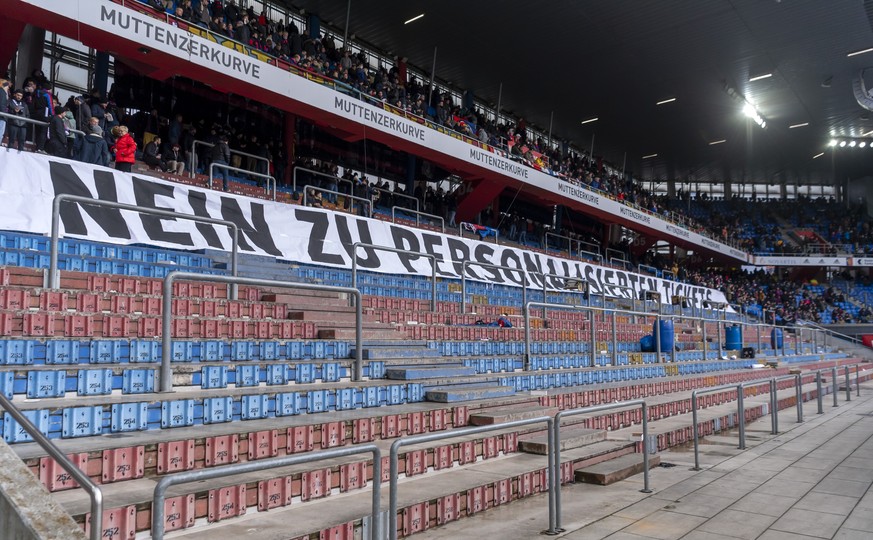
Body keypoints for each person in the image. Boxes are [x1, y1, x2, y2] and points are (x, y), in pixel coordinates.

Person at [0, 79, 9, 146]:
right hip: (1, 117)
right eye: (7, 85)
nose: (8, 87)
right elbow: (2, 104)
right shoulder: (2, 92)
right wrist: (5, 115)